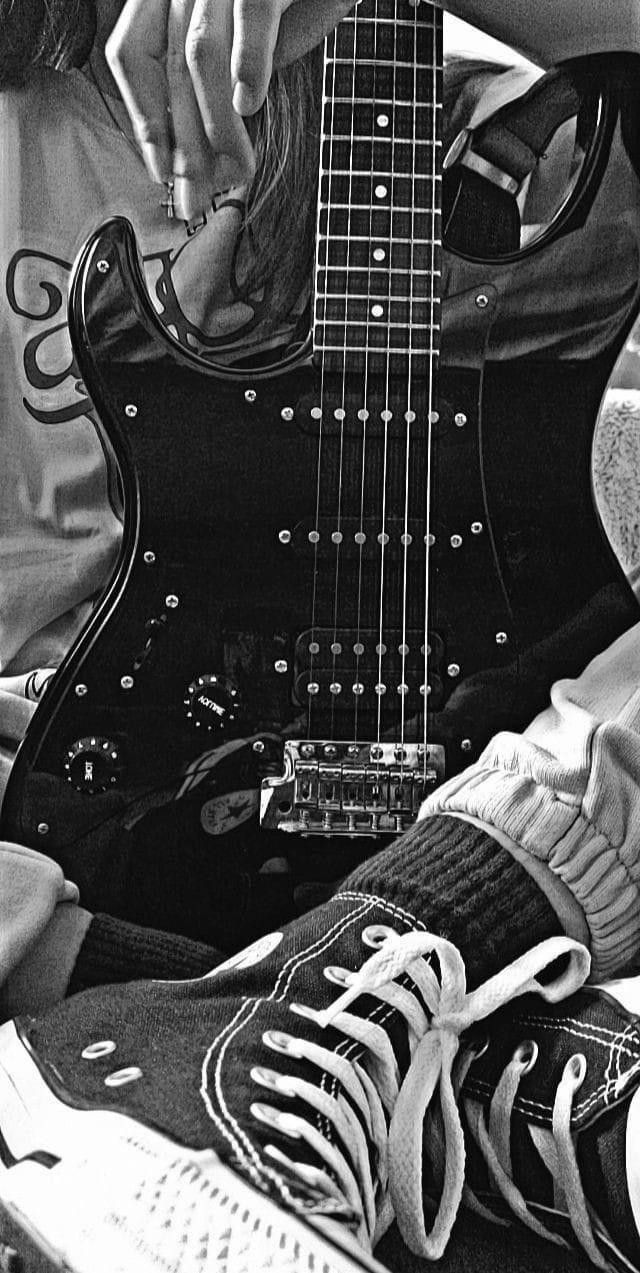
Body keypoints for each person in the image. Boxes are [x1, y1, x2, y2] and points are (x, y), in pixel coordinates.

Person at [1, 0, 640, 1270]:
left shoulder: (508, 126)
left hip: (495, 773)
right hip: (68, 799)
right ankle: (441, 1066)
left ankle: (298, 1015)